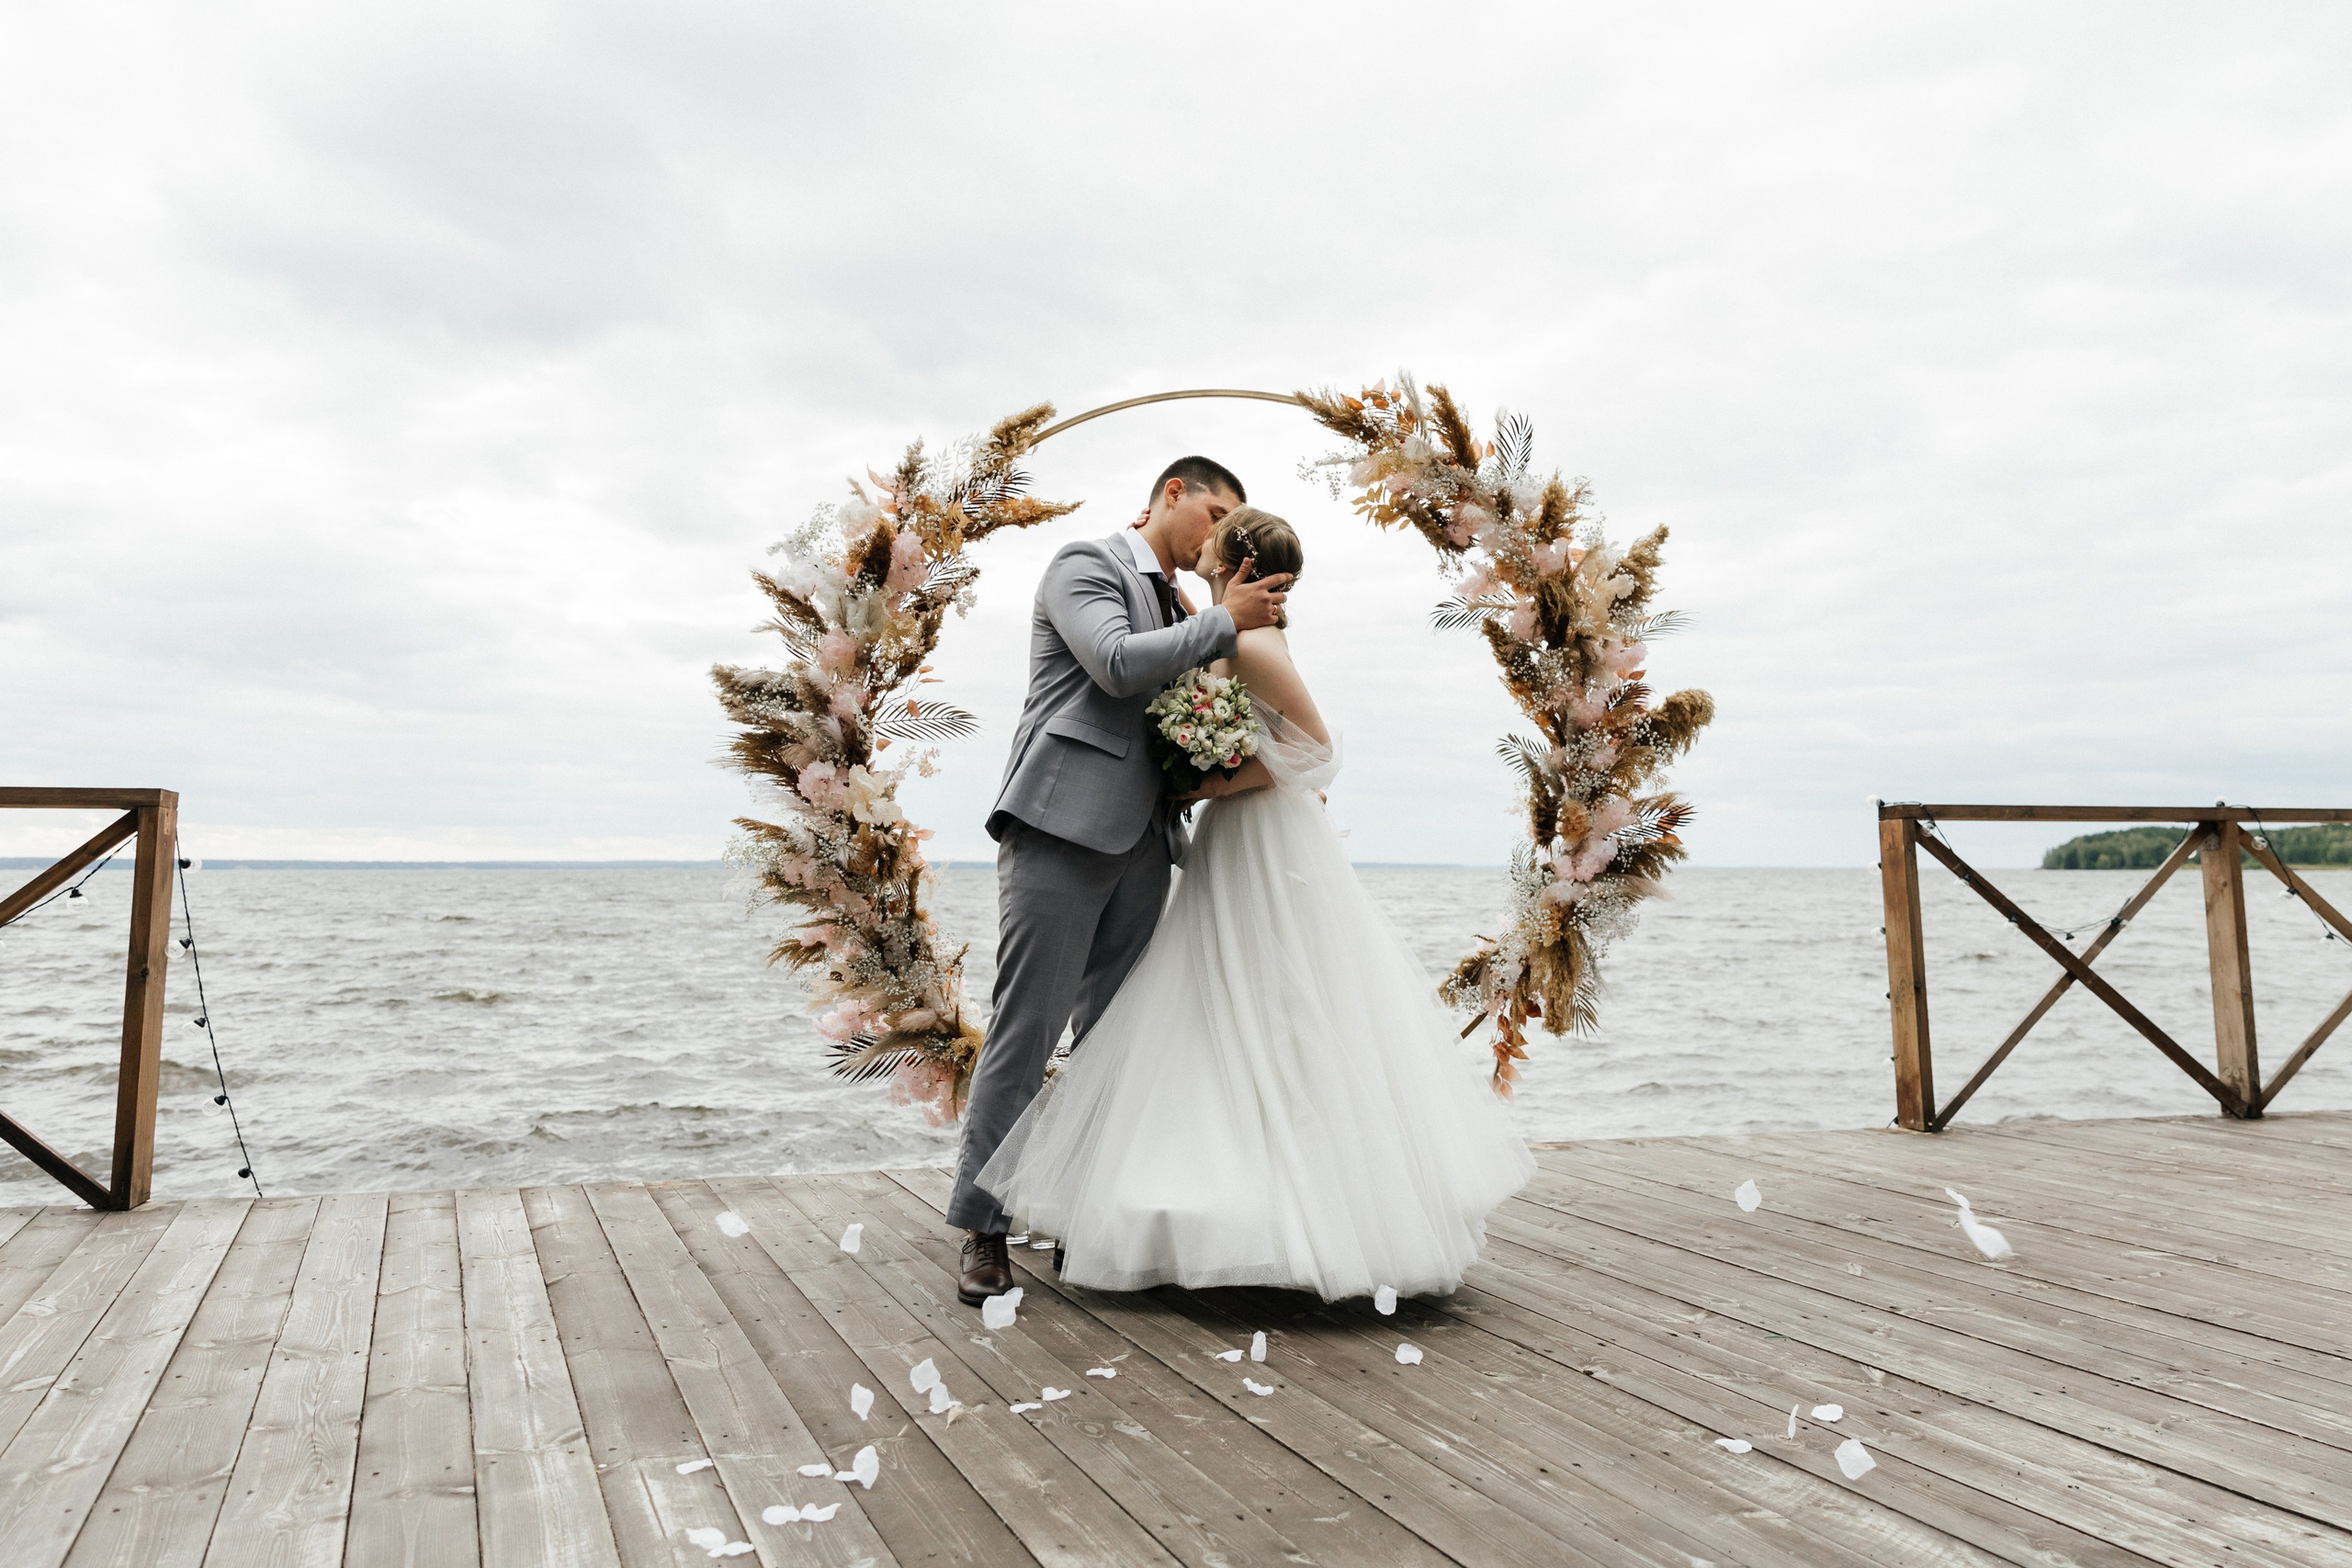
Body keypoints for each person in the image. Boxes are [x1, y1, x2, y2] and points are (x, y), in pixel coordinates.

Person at [978, 506, 1534, 1302]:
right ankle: (1085, 1212)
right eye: (1209, 511)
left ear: (1234, 561)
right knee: (1213, 1011)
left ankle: (1294, 1217)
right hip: (1204, 841)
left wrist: (1204, 783)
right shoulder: (1174, 607)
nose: (1203, 536)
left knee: (1275, 1005)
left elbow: (1315, 748)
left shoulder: (1247, 637)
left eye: (1219, 527)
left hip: (1258, 836)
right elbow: (1125, 671)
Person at [946, 457, 1293, 1304]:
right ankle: (983, 1226)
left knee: (1115, 1039)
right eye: (1213, 512)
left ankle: (1079, 1216)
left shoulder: (1185, 605)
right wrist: (1224, 622)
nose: (1219, 535)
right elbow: (1110, 661)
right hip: (1061, 824)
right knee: (1026, 1030)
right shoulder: (1085, 564)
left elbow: (1187, 715)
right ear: (1172, 494)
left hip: (1147, 837)